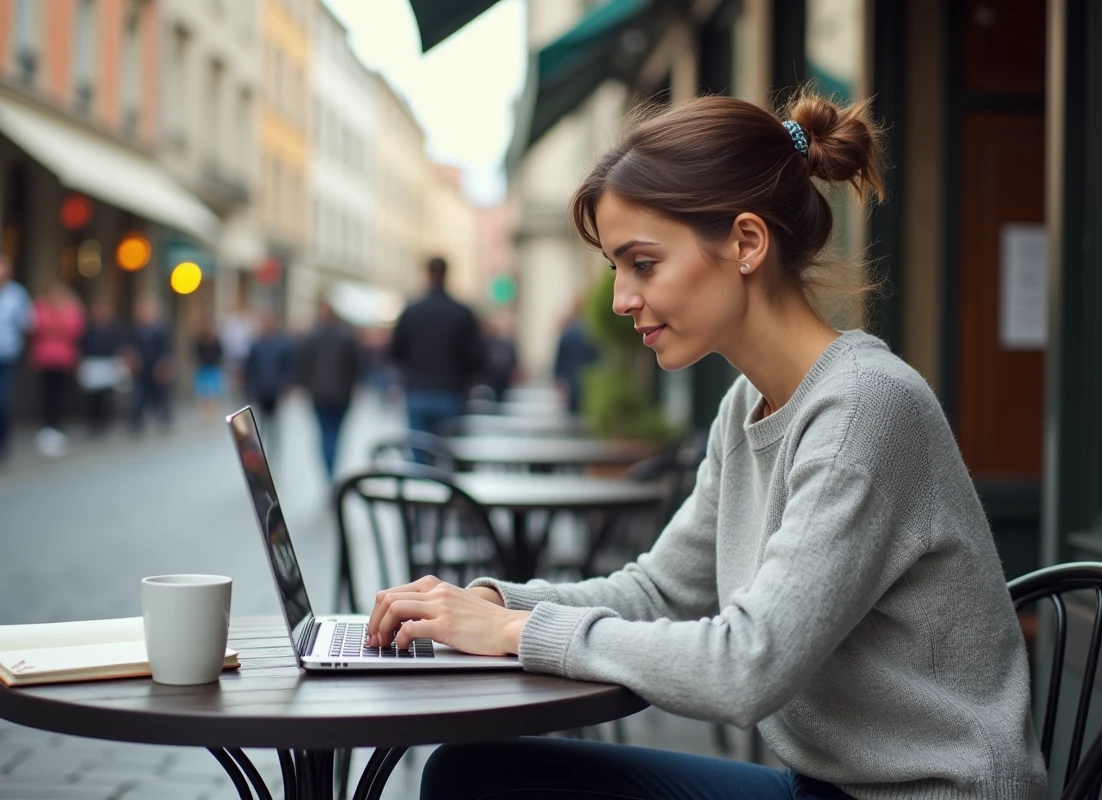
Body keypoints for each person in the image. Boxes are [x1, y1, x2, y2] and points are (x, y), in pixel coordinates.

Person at [364, 91, 1047, 800]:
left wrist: (513, 633)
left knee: (481, 780)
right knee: (476, 771)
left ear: (748, 243)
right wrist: (491, 601)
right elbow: (661, 590)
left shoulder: (866, 409)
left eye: (644, 263)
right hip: (822, 788)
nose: (624, 298)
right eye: (615, 270)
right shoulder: (746, 406)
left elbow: (747, 666)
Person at [389, 257, 484, 435]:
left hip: (418, 392)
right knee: (449, 453)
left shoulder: (412, 311)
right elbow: (476, 356)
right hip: (451, 392)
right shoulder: (461, 313)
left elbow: (395, 352)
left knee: (419, 454)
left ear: (427, 274)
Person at [296, 300, 362, 479]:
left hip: (319, 393)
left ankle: (328, 471)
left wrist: (304, 386)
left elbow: (304, 365)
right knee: (335, 433)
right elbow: (356, 366)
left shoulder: (313, 336)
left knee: (324, 433)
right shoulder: (346, 336)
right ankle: (331, 468)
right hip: (341, 393)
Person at [30, 281, 85, 456]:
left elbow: (74, 328)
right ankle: (46, 429)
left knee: (60, 396)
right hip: (45, 359)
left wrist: (54, 324)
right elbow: (37, 326)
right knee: (46, 395)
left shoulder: (72, 307)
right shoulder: (40, 306)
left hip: (64, 360)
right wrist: (57, 325)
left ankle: (57, 428)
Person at [243, 311, 293, 454]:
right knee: (262, 421)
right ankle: (262, 448)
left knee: (275, 421)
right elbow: (250, 366)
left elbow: (287, 365)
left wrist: (285, 383)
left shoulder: (282, 344)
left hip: (275, 389)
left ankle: (273, 448)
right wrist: (250, 385)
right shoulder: (257, 344)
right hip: (261, 388)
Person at [0, 255, 33, 460]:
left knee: (2, 400)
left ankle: (4, 441)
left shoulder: (17, 295)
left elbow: (27, 325)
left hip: (8, 355)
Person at [77, 298, 124, 436]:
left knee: (105, 396)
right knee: (92, 396)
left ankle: (104, 421)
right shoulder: (88, 329)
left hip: (106, 365)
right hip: (92, 364)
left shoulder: (112, 329)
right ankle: (93, 422)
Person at [126, 297, 174, 433]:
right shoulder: (135, 329)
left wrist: (164, 365)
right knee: (140, 395)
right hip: (142, 368)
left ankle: (164, 420)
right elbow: (130, 348)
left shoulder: (161, 329)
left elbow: (167, 349)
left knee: (161, 396)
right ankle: (136, 422)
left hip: (157, 367)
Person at [553, 300, 600, 413]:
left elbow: (559, 361)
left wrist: (559, 381)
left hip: (570, 382)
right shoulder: (592, 333)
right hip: (587, 382)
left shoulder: (567, 333)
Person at [193, 323, 224, 418]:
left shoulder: (216, 341)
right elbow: (196, 353)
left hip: (213, 367)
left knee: (213, 391)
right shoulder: (200, 342)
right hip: (203, 367)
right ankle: (206, 412)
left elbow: (220, 352)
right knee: (204, 392)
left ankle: (213, 411)